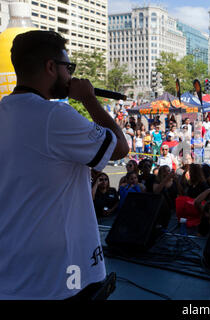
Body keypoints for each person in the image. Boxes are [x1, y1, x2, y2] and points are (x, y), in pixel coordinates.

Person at [0, 30, 128, 299]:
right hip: (58, 275)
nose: (70, 76)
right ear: (50, 67)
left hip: (12, 269)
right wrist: (90, 99)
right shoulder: (54, 115)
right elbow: (120, 147)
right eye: (68, 68)